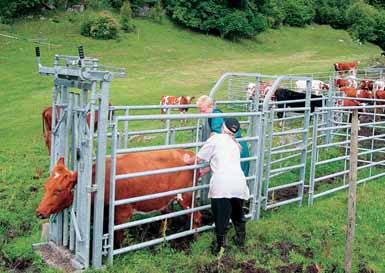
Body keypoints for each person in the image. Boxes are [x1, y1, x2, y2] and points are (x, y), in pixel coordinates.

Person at [184, 118, 250, 254]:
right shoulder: (235, 144)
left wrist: (186, 160)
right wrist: (206, 170)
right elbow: (223, 161)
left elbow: (198, 158)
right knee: (238, 214)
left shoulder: (215, 139)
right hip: (239, 183)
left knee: (221, 218)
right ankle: (240, 241)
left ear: (222, 127)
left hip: (222, 185)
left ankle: (220, 248)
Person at [196, 95, 250, 177]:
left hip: (235, 147)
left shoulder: (215, 116)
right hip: (238, 146)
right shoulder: (214, 114)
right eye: (200, 111)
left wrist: (205, 150)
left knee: (234, 176)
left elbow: (215, 137)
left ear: (211, 106)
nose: (202, 114)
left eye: (203, 111)